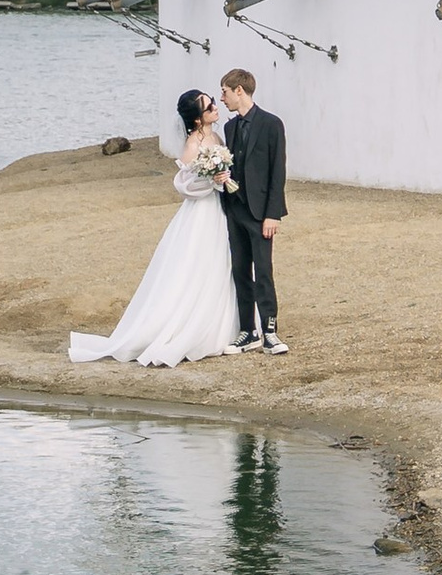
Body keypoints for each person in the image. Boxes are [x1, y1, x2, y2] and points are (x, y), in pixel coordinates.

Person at [67, 92, 242, 366]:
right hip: (202, 212)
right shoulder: (193, 144)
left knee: (221, 263)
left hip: (219, 209)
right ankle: (187, 327)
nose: (215, 106)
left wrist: (223, 179)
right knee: (198, 264)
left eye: (212, 100)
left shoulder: (217, 138)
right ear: (198, 119)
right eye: (209, 105)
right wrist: (212, 181)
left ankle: (223, 324)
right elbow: (184, 185)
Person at [218, 65, 288, 355]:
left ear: (239, 90)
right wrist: (222, 179)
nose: (222, 98)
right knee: (239, 270)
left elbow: (277, 172)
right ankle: (248, 331)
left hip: (261, 213)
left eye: (225, 92)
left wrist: (273, 214)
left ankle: (270, 330)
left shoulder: (272, 124)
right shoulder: (229, 128)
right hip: (235, 210)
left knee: (264, 271)